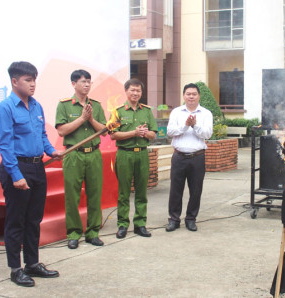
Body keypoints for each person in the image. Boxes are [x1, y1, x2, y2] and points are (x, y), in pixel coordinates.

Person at [0, 61, 61, 287]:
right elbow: (5, 145)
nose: (33, 85)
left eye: (34, 80)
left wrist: (52, 151)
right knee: (16, 221)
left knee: (34, 219)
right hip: (17, 169)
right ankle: (15, 269)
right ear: (14, 81)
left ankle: (32, 263)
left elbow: (42, 136)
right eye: (28, 80)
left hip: (37, 168)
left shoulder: (37, 106)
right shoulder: (5, 109)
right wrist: (15, 175)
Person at [55, 69, 107, 249]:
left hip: (93, 153)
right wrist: (81, 118)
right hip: (73, 154)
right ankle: (74, 233)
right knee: (72, 196)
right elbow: (61, 130)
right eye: (83, 81)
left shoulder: (96, 105)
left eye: (89, 82)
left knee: (95, 194)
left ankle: (93, 232)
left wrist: (91, 118)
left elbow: (104, 130)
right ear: (73, 84)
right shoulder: (64, 105)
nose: (87, 85)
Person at [110, 78, 158, 238]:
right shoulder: (118, 111)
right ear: (126, 91)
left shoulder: (147, 111)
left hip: (142, 154)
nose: (135, 93)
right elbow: (112, 135)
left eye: (138, 91)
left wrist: (146, 133)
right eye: (132, 90)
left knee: (141, 191)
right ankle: (122, 225)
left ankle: (140, 224)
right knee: (124, 192)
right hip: (125, 153)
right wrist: (134, 133)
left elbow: (153, 134)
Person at [165, 83, 213, 232]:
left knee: (196, 190)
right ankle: (174, 219)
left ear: (199, 96)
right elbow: (170, 131)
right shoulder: (176, 112)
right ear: (184, 96)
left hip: (197, 157)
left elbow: (207, 134)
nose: (191, 96)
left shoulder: (206, 113)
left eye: (194, 94)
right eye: (188, 94)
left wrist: (194, 125)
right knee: (175, 190)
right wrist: (185, 126)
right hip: (179, 156)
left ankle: (191, 219)